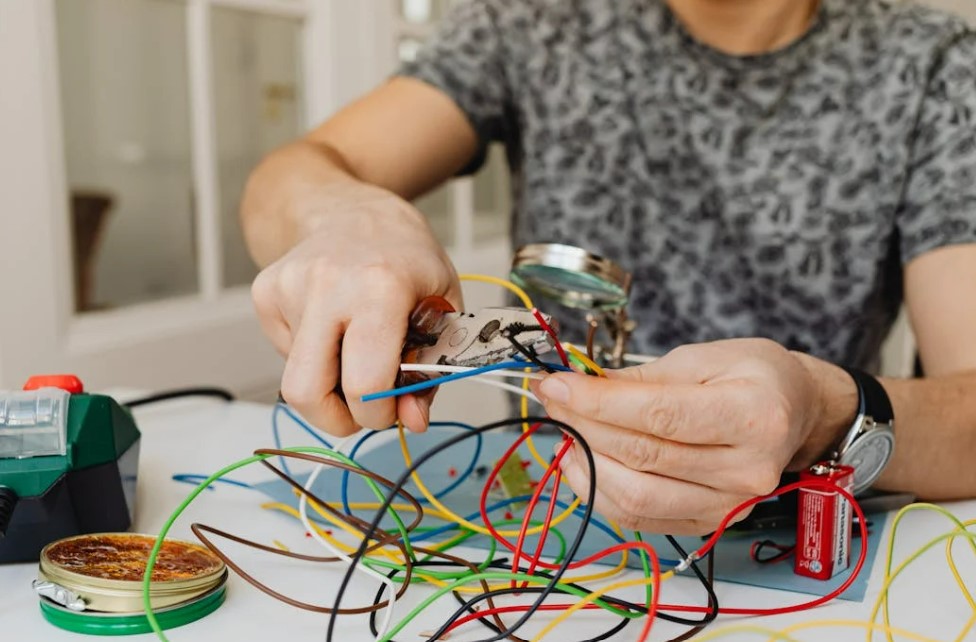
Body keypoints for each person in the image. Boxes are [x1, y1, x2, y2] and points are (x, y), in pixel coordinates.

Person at [241, 0, 976, 535]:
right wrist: (348, 216)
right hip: (546, 532)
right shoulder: (533, 22)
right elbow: (288, 176)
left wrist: (826, 414)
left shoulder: (933, 62)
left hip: (799, 540)